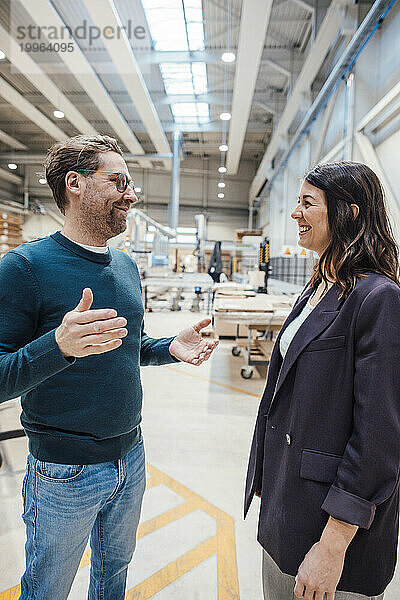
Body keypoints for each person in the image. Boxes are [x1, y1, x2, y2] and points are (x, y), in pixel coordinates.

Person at [0, 134, 219, 600]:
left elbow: (127, 345)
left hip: (130, 456)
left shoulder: (123, 265)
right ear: (75, 183)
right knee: (46, 589)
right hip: (64, 471)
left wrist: (168, 348)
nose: (132, 195)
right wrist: (57, 345)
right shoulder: (24, 267)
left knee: (113, 576)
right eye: (118, 181)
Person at [244, 161, 400, 600]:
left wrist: (332, 547)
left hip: (332, 531)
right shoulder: (320, 286)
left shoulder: (379, 299)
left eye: (307, 203)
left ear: (349, 214)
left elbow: (379, 441)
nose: (295, 213)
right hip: (287, 509)